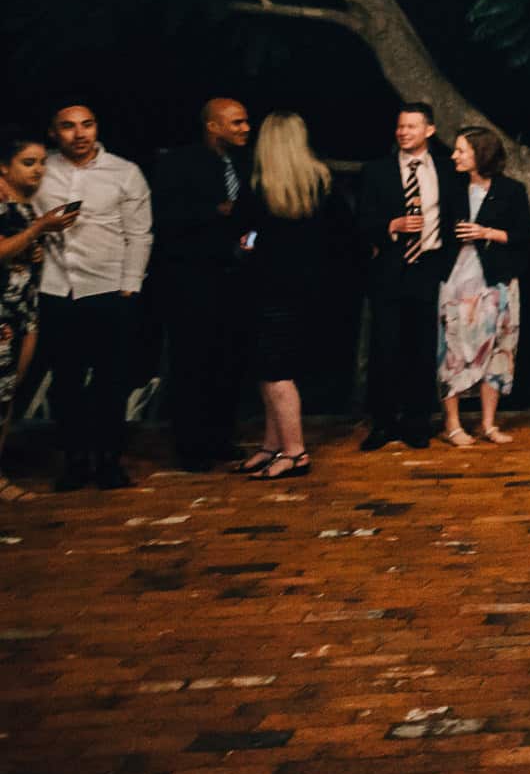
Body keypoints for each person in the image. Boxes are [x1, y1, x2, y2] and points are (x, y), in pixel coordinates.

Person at [34, 104, 152, 491]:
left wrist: (130, 284)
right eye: (68, 126)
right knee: (65, 381)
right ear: (54, 132)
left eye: (87, 124)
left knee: (111, 382)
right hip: (55, 288)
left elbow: (139, 233)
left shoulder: (124, 172)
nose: (79, 133)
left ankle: (109, 461)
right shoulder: (41, 170)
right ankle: (75, 460)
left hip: (108, 288)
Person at [235, 112, 342, 481]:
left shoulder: (259, 186)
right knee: (272, 371)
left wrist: (249, 246)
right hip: (309, 291)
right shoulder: (322, 182)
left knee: (276, 373)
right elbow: (341, 238)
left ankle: (295, 453)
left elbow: (243, 232)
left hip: (271, 289)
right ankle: (272, 445)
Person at [151, 97, 253, 472]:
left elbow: (256, 216)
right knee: (192, 362)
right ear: (213, 126)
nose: (245, 128)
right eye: (237, 123)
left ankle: (220, 437)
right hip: (192, 280)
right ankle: (191, 445)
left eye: (246, 122)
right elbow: (167, 218)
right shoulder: (179, 163)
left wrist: (250, 242)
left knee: (229, 361)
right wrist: (215, 213)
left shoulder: (246, 163)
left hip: (237, 278)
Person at [358, 102, 462, 451]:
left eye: (411, 127)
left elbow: (455, 219)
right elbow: (361, 222)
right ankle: (384, 423)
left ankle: (418, 422)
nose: (403, 132)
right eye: (400, 126)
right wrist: (392, 225)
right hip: (390, 266)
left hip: (428, 266)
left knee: (422, 347)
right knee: (385, 346)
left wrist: (445, 264)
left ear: (429, 130)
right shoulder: (377, 171)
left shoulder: (447, 171)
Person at [436, 127, 530, 447]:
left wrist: (485, 232)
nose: (454, 156)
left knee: (498, 350)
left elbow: (523, 237)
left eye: (461, 150)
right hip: (457, 281)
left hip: (496, 281)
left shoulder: (511, 191)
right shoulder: (451, 188)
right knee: (452, 351)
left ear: (481, 153)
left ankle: (488, 424)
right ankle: (453, 424)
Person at [1, 132, 76, 501]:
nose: (39, 170)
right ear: (4, 167)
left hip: (23, 307)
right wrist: (38, 229)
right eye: (28, 163)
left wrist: (33, 249)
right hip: (2, 309)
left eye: (42, 162)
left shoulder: (24, 203)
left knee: (8, 393)